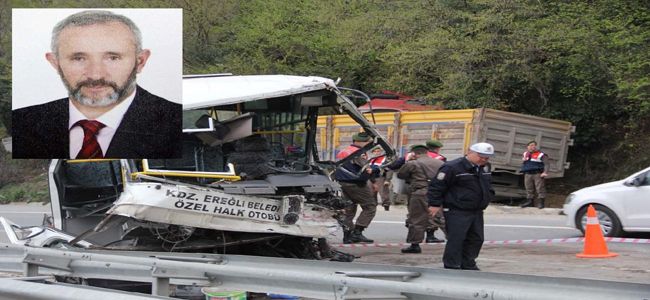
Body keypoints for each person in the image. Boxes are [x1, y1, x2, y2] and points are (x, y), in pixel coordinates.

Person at [12, 10, 182, 159]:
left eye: (113, 58)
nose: (95, 74)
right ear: (55, 63)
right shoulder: (22, 124)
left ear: (140, 61)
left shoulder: (176, 123)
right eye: (78, 58)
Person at [427, 142, 495, 270]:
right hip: (457, 209)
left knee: (476, 239)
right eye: (481, 156)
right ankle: (452, 264)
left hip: (476, 210)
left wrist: (488, 196)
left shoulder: (485, 167)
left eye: (487, 158)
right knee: (457, 238)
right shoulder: (452, 167)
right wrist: (434, 204)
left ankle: (468, 262)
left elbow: (487, 184)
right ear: (470, 152)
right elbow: (437, 186)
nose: (484, 160)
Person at [397, 144, 444, 253]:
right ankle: (456, 240)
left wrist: (407, 162)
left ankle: (415, 245)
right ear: (426, 152)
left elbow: (401, 175)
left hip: (419, 193)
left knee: (417, 218)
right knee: (441, 218)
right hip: (437, 193)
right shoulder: (440, 163)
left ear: (413, 153)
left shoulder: (413, 163)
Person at [335, 132, 379, 244]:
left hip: (342, 183)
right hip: (356, 184)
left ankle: (347, 236)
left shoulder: (344, 151)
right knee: (370, 206)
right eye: (367, 142)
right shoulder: (359, 152)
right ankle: (357, 233)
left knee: (349, 210)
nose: (367, 144)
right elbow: (367, 168)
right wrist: (376, 169)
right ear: (359, 141)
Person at [424, 139, 447, 243]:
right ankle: (431, 235)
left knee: (416, 213)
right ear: (437, 149)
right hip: (433, 187)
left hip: (415, 188)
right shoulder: (440, 158)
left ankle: (414, 238)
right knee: (436, 212)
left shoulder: (412, 156)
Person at [519, 141, 549, 209]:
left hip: (537, 174)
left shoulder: (541, 154)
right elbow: (524, 162)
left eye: (534, 145)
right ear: (528, 146)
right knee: (529, 188)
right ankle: (530, 202)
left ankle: (541, 203)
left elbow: (547, 164)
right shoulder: (525, 153)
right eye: (531, 145)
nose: (533, 147)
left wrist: (545, 172)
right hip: (528, 174)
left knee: (540, 188)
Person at [369, 147, 391, 211]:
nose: (377, 153)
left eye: (378, 151)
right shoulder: (370, 160)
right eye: (375, 151)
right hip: (371, 178)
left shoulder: (385, 159)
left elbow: (389, 170)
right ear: (373, 152)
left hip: (380, 178)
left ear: (381, 152)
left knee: (384, 193)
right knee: (371, 193)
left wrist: (387, 180)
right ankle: (373, 207)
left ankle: (386, 206)